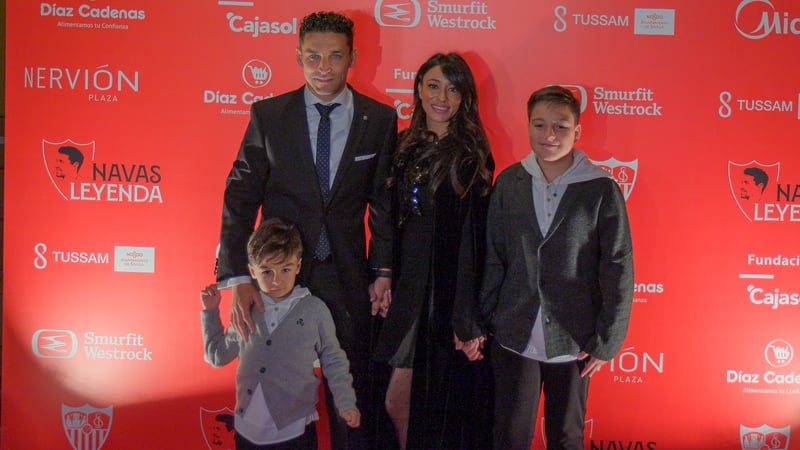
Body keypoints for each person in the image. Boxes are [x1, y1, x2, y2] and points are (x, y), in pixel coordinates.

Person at [215, 11, 397, 449]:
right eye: (313, 56)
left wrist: (383, 270)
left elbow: (383, 204)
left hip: (346, 276)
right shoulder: (270, 116)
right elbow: (240, 196)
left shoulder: (379, 119)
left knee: (350, 393)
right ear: (298, 56)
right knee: (271, 393)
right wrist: (238, 278)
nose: (323, 67)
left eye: (335, 56)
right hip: (276, 279)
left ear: (352, 57)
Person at [478, 85, 634, 450]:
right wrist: (483, 320)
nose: (549, 134)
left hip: (575, 340)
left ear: (577, 131)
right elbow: (494, 255)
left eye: (561, 126)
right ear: (528, 126)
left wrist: (608, 340)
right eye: (539, 125)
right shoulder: (509, 183)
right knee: (509, 435)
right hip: (514, 336)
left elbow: (618, 265)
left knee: (566, 436)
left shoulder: (600, 188)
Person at [372, 52, 495, 450]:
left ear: (465, 98)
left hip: (443, 297)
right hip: (405, 292)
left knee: (433, 403)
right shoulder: (402, 145)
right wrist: (384, 273)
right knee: (395, 400)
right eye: (434, 86)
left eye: (453, 89)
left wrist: (466, 315)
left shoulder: (471, 156)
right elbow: (386, 218)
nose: (442, 97)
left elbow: (474, 243)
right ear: (419, 90)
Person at [201, 218, 360, 450]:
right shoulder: (247, 310)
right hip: (248, 433)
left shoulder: (314, 309)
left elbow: (333, 360)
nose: (277, 280)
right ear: (252, 271)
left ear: (298, 266)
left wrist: (346, 402)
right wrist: (210, 312)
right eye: (267, 271)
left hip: (297, 432)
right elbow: (217, 356)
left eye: (285, 269)